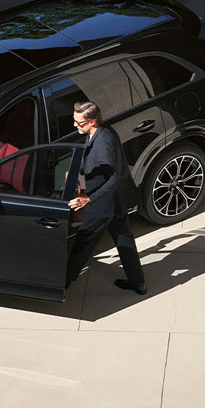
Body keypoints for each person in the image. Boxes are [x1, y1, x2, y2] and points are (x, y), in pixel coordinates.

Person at [66, 101, 147, 294]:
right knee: (123, 237)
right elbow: (95, 163)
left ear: (92, 121)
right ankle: (138, 283)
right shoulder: (100, 131)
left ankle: (62, 283)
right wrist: (76, 171)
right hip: (116, 200)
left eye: (79, 123)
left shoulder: (103, 143)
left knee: (84, 240)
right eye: (74, 121)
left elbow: (113, 179)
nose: (75, 126)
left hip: (104, 201)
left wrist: (88, 199)